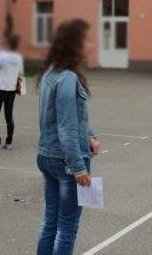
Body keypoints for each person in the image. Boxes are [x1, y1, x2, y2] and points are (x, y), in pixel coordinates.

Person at [36, 19, 100, 255]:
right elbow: (65, 127)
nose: (93, 44)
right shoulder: (67, 78)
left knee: (51, 220)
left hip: (47, 156)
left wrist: (90, 136)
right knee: (67, 227)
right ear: (74, 45)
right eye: (88, 40)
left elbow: (70, 118)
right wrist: (78, 168)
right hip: (66, 163)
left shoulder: (51, 73)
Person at [0, 35, 24, 150]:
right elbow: (21, 72)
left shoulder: (2, 56)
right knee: (9, 116)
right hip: (11, 90)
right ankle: (9, 142)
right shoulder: (18, 57)